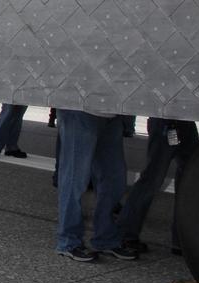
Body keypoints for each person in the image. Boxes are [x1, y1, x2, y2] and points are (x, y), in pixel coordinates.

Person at [55, 109, 138, 262]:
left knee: (114, 179)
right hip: (81, 110)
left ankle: (106, 238)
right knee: (75, 179)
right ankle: (68, 241)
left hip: (111, 113)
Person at [117, 117, 199, 255]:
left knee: (184, 181)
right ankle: (126, 233)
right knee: (154, 179)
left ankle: (181, 239)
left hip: (176, 121)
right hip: (169, 122)